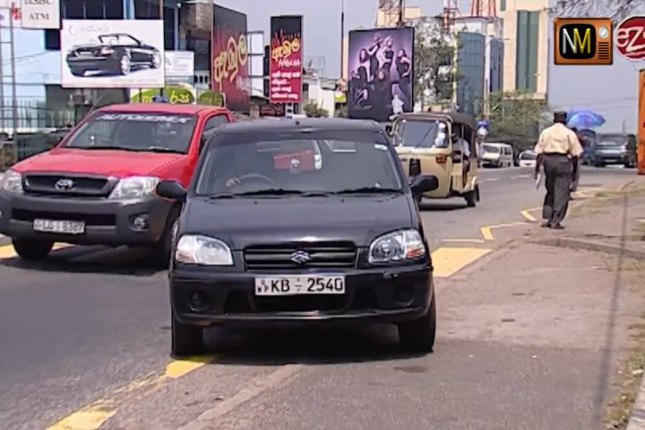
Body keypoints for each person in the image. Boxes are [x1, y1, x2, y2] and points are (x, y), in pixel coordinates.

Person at [534, 111, 583, 229]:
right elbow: (576, 154)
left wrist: (536, 169)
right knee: (562, 192)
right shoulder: (569, 133)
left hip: (548, 162)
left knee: (550, 189)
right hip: (563, 162)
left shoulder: (546, 132)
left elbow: (539, 153)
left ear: (554, 120)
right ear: (565, 120)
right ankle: (555, 220)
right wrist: (574, 172)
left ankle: (548, 217)